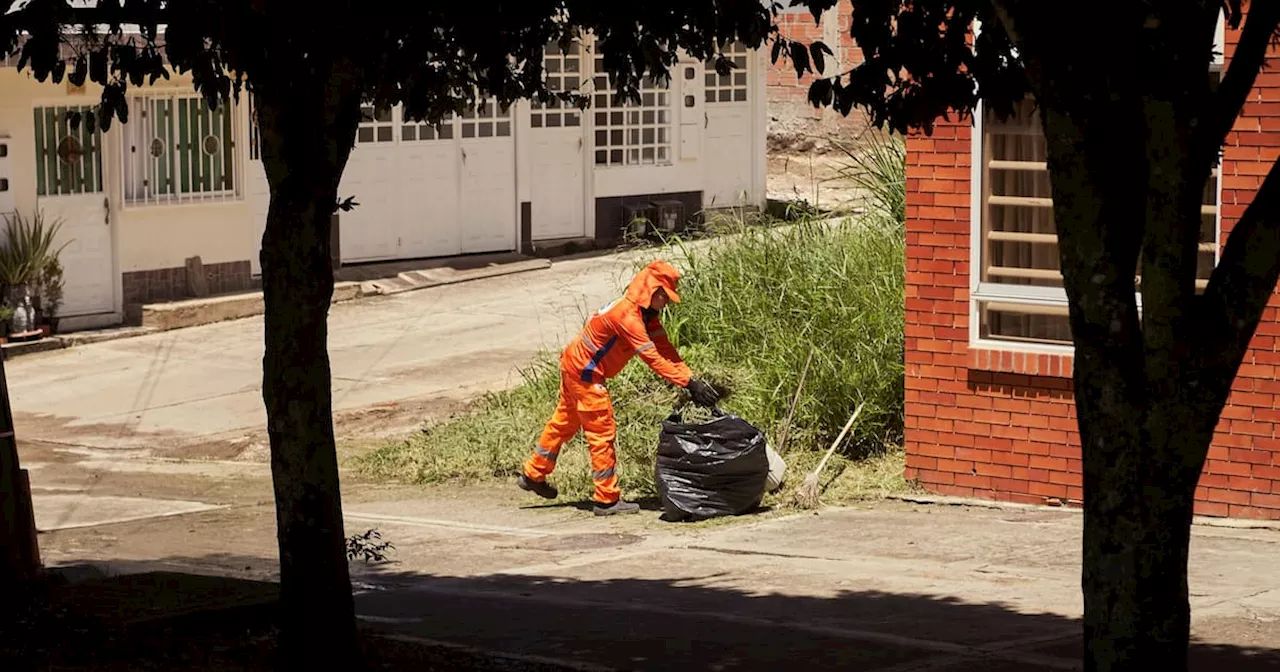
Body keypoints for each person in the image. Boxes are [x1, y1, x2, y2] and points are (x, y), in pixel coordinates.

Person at [518, 259, 720, 516]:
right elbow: (653, 358)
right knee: (601, 430)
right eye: (664, 297)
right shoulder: (627, 317)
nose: (667, 303)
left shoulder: (646, 316)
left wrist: (691, 377)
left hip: (574, 366)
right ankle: (606, 500)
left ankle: (533, 474)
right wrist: (689, 384)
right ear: (652, 291)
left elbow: (665, 349)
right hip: (586, 374)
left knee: (564, 423)